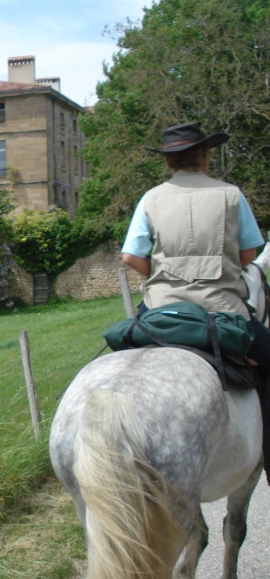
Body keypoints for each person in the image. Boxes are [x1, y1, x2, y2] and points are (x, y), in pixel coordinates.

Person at [121, 120, 270, 478]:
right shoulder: (231, 195)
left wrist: (164, 276)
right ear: (204, 155)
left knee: (127, 364)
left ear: (169, 161)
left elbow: (130, 256)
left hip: (162, 308)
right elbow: (250, 253)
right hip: (224, 308)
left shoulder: (151, 199)